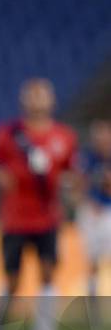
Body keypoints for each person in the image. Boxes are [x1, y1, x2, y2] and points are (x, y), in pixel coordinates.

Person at [0, 78, 77, 330]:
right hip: (15, 219)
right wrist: (0, 176)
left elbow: (72, 174)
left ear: (51, 100)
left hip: (48, 219)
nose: (37, 100)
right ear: (24, 101)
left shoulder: (64, 137)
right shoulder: (8, 134)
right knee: (12, 280)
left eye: (41, 95)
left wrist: (69, 185)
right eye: (32, 95)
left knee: (47, 274)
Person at [77, 119, 111, 297]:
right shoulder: (87, 159)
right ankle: (92, 299)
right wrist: (88, 201)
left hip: (108, 212)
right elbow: (79, 183)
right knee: (92, 260)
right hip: (91, 213)